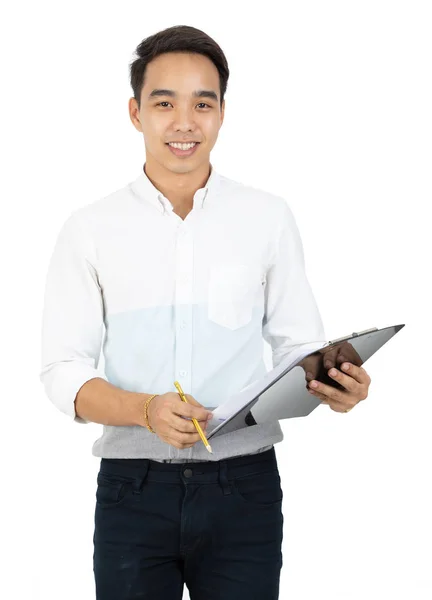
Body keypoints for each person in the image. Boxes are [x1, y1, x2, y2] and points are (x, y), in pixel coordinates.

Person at [39, 24, 371, 600]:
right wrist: (144, 410)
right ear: (135, 112)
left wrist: (334, 384)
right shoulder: (89, 229)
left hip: (245, 489)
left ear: (221, 113)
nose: (184, 122)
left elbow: (298, 349)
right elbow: (61, 372)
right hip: (132, 492)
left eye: (203, 103)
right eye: (163, 102)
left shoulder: (267, 217)